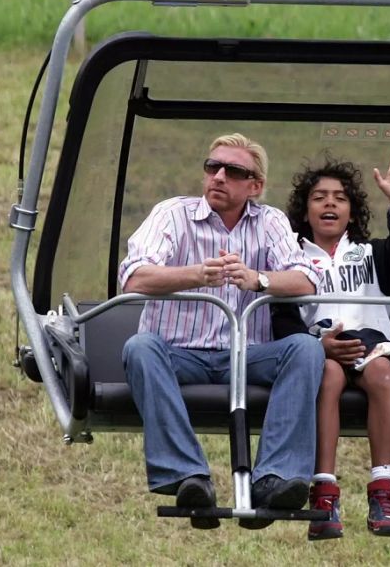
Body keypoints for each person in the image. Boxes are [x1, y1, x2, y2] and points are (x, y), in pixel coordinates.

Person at [119, 133, 325, 530]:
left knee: (305, 349)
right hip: (180, 353)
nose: (218, 176)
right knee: (140, 347)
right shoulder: (172, 215)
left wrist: (256, 279)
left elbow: (307, 280)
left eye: (233, 171)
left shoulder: (270, 223)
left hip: (246, 355)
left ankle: (275, 477)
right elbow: (133, 276)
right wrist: (195, 274)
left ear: (255, 186)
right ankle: (187, 475)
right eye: (212, 167)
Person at [272, 145, 390, 540]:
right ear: (304, 211)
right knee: (327, 378)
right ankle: (323, 491)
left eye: (340, 198)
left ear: (352, 212)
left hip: (370, 344)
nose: (329, 204)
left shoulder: (370, 254)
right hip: (319, 346)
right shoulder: (290, 259)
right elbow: (282, 316)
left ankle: (384, 490)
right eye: (319, 198)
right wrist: (316, 345)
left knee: (382, 376)